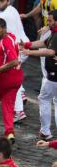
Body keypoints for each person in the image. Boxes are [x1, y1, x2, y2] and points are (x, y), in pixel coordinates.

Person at [22, 9, 57, 140]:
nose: (47, 23)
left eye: (50, 20)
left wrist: (29, 52)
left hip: (53, 76)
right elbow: (43, 43)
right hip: (53, 76)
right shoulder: (53, 33)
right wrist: (27, 44)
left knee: (44, 99)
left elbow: (49, 51)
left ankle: (45, 131)